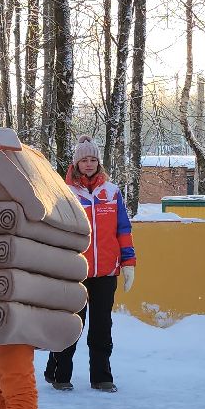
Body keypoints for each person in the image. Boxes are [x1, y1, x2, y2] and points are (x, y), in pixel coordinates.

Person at [46, 137, 136, 392]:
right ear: (76, 163)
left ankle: (101, 376)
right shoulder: (65, 194)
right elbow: (56, 231)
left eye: (93, 159)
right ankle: (59, 373)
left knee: (101, 326)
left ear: (99, 162)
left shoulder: (112, 192)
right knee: (71, 324)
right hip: (74, 271)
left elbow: (123, 230)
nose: (89, 164)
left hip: (106, 271)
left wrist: (128, 262)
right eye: (84, 160)